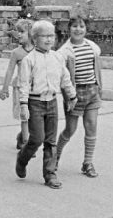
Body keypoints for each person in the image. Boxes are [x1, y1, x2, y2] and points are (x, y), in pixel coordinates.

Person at [14, 20, 76, 189]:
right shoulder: (29, 60)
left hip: (52, 101)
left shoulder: (57, 57)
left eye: (51, 36)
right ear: (34, 38)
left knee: (50, 140)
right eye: (44, 36)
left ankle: (50, 174)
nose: (49, 40)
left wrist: (71, 96)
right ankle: (22, 158)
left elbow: (65, 78)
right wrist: (23, 105)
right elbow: (24, 84)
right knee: (37, 139)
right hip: (35, 102)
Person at [56, 17, 103, 178]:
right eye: (74, 26)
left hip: (92, 91)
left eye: (81, 26)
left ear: (86, 29)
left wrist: (99, 88)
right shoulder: (64, 52)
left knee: (91, 126)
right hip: (75, 94)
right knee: (70, 129)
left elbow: (96, 69)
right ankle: (55, 156)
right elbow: (63, 77)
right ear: (69, 29)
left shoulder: (93, 47)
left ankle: (87, 163)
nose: (78, 29)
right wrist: (69, 96)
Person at [0, 18, 34, 149]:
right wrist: (4, 89)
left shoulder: (38, 51)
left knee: (33, 116)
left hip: (35, 88)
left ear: (30, 34)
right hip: (20, 87)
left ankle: (21, 136)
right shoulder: (17, 53)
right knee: (24, 116)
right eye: (18, 31)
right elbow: (10, 71)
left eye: (22, 32)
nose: (18, 34)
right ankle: (26, 143)